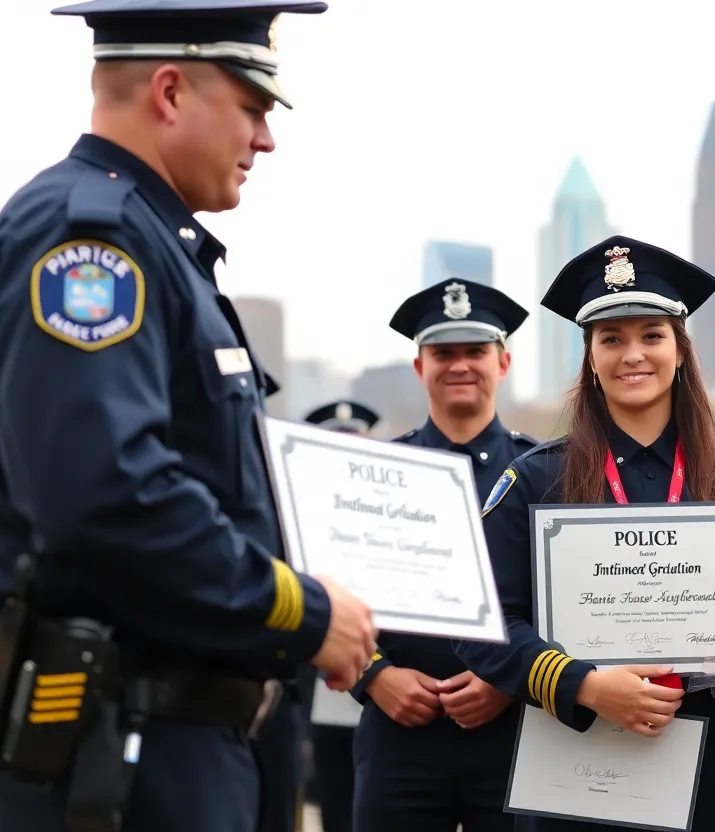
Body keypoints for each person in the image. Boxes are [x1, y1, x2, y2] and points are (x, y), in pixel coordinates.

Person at [0, 2, 378, 832]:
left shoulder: (156, 242)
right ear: (170, 91)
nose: (267, 139)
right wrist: (304, 611)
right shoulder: (93, 244)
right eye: (252, 107)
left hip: (182, 743)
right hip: (127, 752)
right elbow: (106, 497)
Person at [454, 235, 715, 832]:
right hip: (582, 762)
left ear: (680, 349)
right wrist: (584, 684)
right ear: (590, 356)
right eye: (611, 339)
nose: (632, 355)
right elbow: (483, 622)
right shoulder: (536, 480)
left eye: (651, 335)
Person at [348, 279, 537, 832]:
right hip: (398, 731)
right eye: (443, 353)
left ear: (503, 362)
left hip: (515, 728)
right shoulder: (376, 475)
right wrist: (376, 677)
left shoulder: (543, 473)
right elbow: (337, 593)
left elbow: (570, 597)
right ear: (418, 366)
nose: (460, 365)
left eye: (475, 351)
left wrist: (509, 681)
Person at [294, 401, 382, 832]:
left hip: (388, 678)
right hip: (324, 682)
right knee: (335, 800)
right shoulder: (302, 512)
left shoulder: (388, 509)